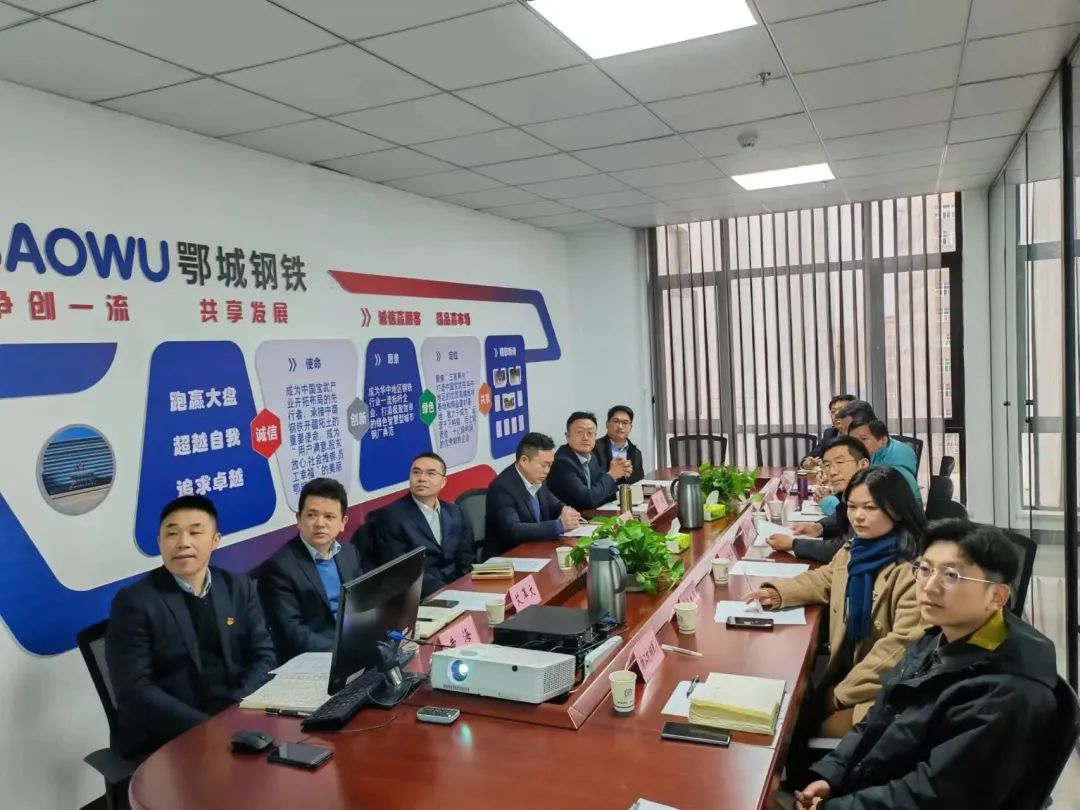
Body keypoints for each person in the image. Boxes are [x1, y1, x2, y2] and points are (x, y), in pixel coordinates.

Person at [796, 520, 1058, 810]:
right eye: (925, 569)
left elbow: (936, 796)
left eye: (952, 576)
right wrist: (832, 773)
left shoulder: (1006, 692)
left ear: (996, 597)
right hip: (874, 786)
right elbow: (881, 714)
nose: (930, 587)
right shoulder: (939, 636)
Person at [746, 467, 927, 739]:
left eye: (870, 508)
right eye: (852, 506)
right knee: (790, 710)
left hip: (889, 688)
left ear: (897, 510)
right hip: (854, 672)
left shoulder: (914, 569)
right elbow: (828, 578)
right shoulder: (857, 548)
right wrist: (778, 592)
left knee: (798, 729)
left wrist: (838, 696)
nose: (858, 516)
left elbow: (900, 649)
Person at [106, 495, 276, 760]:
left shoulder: (237, 587)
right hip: (168, 735)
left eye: (195, 532)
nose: (183, 542)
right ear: (159, 543)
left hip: (235, 718)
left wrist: (237, 708)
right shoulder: (135, 602)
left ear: (215, 540)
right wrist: (208, 727)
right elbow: (135, 690)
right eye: (172, 533)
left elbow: (263, 655)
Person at [258, 478, 363, 661]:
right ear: (299, 519)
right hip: (316, 657)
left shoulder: (349, 553)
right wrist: (340, 653)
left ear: (343, 522)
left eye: (329, 517)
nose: (320, 523)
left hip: (353, 645)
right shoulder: (279, 568)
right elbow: (293, 631)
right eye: (311, 515)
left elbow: (363, 604)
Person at [368, 452, 474, 598]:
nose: (422, 478)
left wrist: (466, 588)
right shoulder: (390, 517)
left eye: (431, 473)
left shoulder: (455, 512)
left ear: (443, 481)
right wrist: (447, 593)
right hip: (419, 597)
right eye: (416, 472)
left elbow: (466, 557)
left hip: (458, 590)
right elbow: (402, 571)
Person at [769, 436, 870, 563]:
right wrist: (819, 527)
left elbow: (846, 549)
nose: (832, 472)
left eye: (840, 462)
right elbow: (843, 515)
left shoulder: (873, 497)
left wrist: (794, 544)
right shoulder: (853, 490)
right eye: (827, 465)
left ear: (863, 465)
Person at [485, 432, 582, 554]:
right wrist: (558, 526)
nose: (547, 471)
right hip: (509, 556)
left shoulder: (537, 476)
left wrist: (565, 509)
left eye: (550, 465)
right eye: (544, 465)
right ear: (524, 461)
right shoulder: (501, 488)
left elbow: (551, 502)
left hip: (537, 548)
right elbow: (513, 530)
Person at [547, 411, 631, 510]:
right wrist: (612, 475)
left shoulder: (591, 457)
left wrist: (619, 470)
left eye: (590, 433)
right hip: (570, 518)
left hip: (588, 515)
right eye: (580, 432)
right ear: (567, 436)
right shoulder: (562, 462)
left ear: (595, 436)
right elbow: (588, 500)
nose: (585, 438)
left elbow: (607, 492)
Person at [848, 417, 921, 505]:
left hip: (901, 505)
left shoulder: (898, 459)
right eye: (852, 440)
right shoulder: (874, 451)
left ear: (883, 440)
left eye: (863, 439)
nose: (856, 444)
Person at [592, 405, 644, 485]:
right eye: (616, 421)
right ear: (607, 424)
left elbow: (639, 482)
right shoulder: (594, 447)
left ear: (630, 427)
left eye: (625, 422)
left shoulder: (637, 453)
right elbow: (591, 480)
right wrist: (613, 474)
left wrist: (627, 476)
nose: (620, 426)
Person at [802, 394, 856, 467]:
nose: (836, 415)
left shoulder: (861, 435)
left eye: (842, 411)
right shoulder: (830, 433)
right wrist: (806, 462)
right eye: (833, 411)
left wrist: (828, 464)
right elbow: (813, 455)